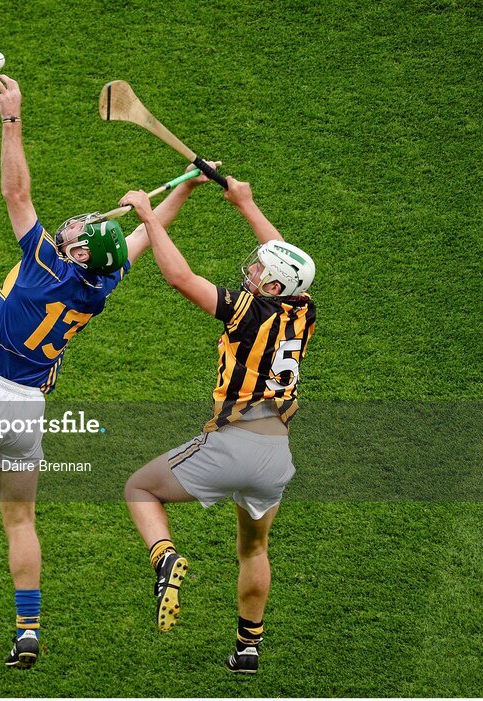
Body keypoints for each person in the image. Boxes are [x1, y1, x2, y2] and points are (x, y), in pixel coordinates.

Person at [0, 73, 214, 669]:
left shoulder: (45, 260)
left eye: (78, 231)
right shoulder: (103, 283)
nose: (75, 224)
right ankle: (27, 630)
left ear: (72, 253)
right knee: (19, 517)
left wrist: (11, 118)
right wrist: (185, 188)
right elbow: (148, 232)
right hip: (30, 409)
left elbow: (17, 195)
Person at [120, 178, 316, 674]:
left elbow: (181, 278)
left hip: (234, 442)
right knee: (253, 547)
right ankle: (248, 648)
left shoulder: (249, 312)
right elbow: (291, 264)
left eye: (259, 270)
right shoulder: (302, 309)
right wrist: (247, 204)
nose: (250, 272)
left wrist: (148, 215)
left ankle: (164, 559)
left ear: (272, 287)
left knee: (139, 489)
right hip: (276, 457)